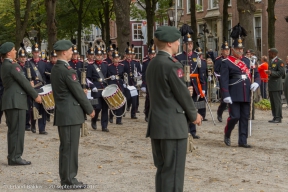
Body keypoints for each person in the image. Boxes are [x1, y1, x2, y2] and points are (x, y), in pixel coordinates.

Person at [146, 26, 202, 192]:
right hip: (173, 126)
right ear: (169, 43)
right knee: (174, 172)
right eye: (177, 40)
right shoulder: (172, 65)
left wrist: (184, 90)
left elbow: (165, 91)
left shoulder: (153, 63)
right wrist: (194, 115)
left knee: (163, 170)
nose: (179, 43)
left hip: (157, 123)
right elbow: (182, 95)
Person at [51, 40, 95, 189]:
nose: (72, 52)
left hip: (64, 113)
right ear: (64, 52)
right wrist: (90, 109)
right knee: (70, 148)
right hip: (70, 114)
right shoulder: (67, 70)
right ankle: (69, 180)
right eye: (70, 50)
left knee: (65, 147)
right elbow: (77, 92)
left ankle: (66, 178)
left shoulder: (56, 68)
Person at [0, 42, 42, 165]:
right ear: (8, 53)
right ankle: (15, 157)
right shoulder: (13, 66)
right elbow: (23, 82)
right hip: (16, 101)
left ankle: (13, 156)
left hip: (11, 100)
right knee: (17, 130)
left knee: (14, 130)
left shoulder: (5, 65)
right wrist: (35, 95)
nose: (15, 52)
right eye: (13, 50)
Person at [221, 37, 261, 148]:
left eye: (241, 49)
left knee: (244, 117)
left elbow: (256, 74)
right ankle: (227, 133)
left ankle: (242, 140)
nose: (240, 51)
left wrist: (257, 83)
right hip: (233, 93)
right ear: (232, 49)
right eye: (238, 49)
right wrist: (225, 94)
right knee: (234, 116)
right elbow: (224, 80)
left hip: (246, 92)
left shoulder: (247, 61)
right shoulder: (227, 62)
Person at [175, 33, 205, 139]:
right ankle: (185, 129)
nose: (190, 45)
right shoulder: (178, 57)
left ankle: (193, 131)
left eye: (191, 43)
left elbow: (201, 73)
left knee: (193, 108)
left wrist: (203, 88)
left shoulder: (196, 57)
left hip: (195, 86)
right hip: (184, 85)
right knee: (184, 108)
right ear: (184, 45)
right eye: (188, 44)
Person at [86, 43, 109, 132]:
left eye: (100, 55)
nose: (99, 57)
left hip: (105, 89)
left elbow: (108, 77)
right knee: (97, 107)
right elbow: (88, 78)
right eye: (97, 55)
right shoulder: (91, 66)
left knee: (105, 108)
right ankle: (94, 120)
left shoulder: (105, 65)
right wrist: (92, 86)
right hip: (96, 90)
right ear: (95, 56)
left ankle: (104, 126)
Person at [28, 43, 48, 134]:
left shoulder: (44, 64)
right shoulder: (28, 63)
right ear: (32, 53)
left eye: (37, 52)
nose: (36, 53)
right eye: (35, 52)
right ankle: (33, 125)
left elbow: (46, 76)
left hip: (42, 88)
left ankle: (42, 128)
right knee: (34, 108)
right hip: (33, 88)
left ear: (39, 52)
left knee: (43, 109)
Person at [122, 43, 141, 119]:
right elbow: (121, 73)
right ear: (125, 55)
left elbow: (139, 72)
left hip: (133, 82)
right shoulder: (123, 63)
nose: (129, 56)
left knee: (134, 99)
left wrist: (138, 76)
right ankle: (123, 110)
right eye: (128, 54)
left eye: (130, 54)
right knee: (127, 98)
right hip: (126, 83)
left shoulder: (135, 63)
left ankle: (133, 114)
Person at [266, 48, 285, 123]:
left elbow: (281, 73)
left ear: (273, 53)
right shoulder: (271, 61)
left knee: (277, 102)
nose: (269, 54)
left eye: (270, 53)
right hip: (271, 84)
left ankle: (278, 117)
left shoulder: (279, 61)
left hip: (276, 85)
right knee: (273, 102)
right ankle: (275, 116)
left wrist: (271, 73)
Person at [107, 49, 125, 125]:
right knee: (113, 102)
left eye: (118, 58)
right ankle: (111, 116)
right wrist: (111, 77)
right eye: (115, 58)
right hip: (112, 85)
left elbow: (124, 75)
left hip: (120, 85)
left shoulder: (122, 66)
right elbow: (107, 76)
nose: (117, 59)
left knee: (120, 102)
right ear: (112, 59)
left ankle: (119, 119)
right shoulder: (109, 66)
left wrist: (124, 81)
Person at [214, 41, 230, 122]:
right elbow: (215, 71)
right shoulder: (219, 60)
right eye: (225, 50)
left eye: (228, 50)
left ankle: (232, 115)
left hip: (231, 81)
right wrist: (220, 78)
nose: (227, 51)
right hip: (223, 82)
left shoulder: (231, 59)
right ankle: (219, 112)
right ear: (222, 51)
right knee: (224, 100)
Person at [141, 40, 156, 122]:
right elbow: (143, 74)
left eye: (153, 54)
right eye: (151, 54)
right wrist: (143, 84)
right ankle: (147, 113)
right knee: (149, 99)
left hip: (156, 83)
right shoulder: (146, 62)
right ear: (149, 54)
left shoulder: (157, 61)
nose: (152, 56)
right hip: (148, 83)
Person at [17, 48, 32, 130]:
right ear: (19, 58)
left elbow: (33, 76)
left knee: (28, 108)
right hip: (19, 90)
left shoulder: (29, 65)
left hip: (27, 90)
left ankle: (27, 124)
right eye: (21, 57)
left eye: (24, 57)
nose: (23, 58)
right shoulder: (16, 66)